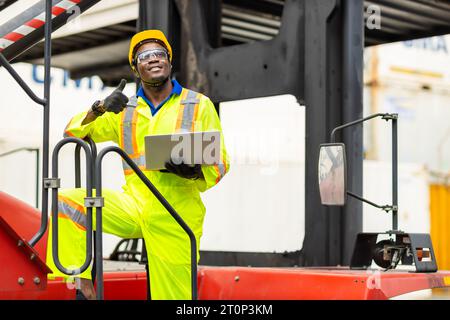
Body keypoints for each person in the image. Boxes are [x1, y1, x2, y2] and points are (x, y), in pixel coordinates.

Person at [45, 29, 230, 300]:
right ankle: (80, 285)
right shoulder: (124, 111)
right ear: (135, 67)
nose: (153, 59)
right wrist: (99, 108)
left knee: (174, 298)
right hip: (133, 205)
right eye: (145, 56)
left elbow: (221, 163)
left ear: (169, 59)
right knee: (66, 203)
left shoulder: (198, 105)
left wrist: (194, 172)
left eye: (159, 53)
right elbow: (74, 134)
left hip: (175, 213)